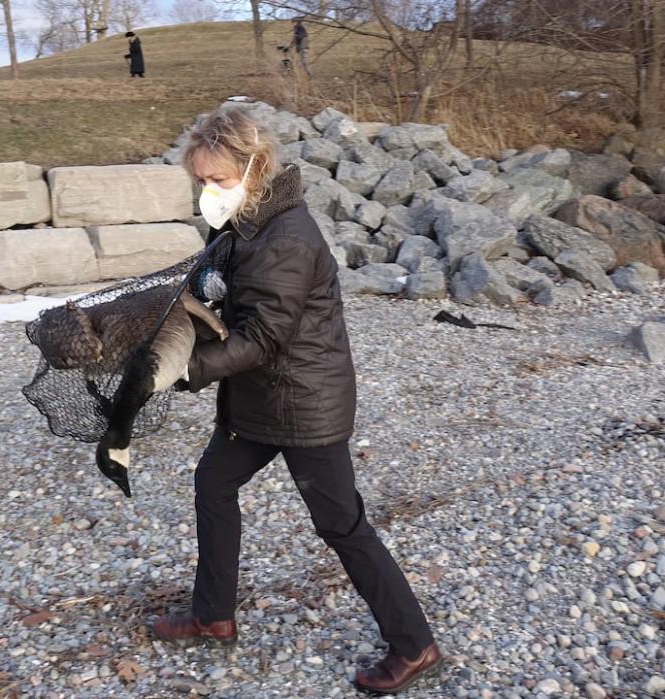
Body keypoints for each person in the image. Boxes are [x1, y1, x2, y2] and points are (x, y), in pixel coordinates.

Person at [149, 107, 442, 695]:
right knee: (213, 483)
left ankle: (415, 645)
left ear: (254, 169)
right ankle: (214, 615)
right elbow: (220, 293)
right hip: (258, 401)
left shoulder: (286, 236)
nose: (207, 192)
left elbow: (263, 335)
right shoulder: (245, 221)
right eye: (200, 181)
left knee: (341, 523)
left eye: (216, 180)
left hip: (305, 404)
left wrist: (182, 371)